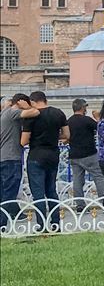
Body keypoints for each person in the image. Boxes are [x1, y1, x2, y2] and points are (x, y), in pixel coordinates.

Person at [20, 92, 69, 230]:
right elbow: (67, 135)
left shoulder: (31, 116)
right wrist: (53, 136)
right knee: (51, 191)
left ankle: (41, 225)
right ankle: (55, 223)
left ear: (33, 102)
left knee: (38, 193)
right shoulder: (58, 113)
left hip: (36, 155)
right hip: (53, 155)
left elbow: (24, 141)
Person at [1, 94, 39, 230]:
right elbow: (35, 112)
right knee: (9, 193)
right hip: (11, 158)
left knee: (3, 192)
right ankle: (2, 224)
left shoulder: (4, 113)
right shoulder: (13, 112)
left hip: (4, 157)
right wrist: (28, 106)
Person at [66, 98, 103, 204]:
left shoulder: (69, 121)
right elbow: (101, 129)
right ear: (83, 108)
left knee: (77, 180)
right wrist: (98, 118)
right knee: (99, 176)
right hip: (89, 154)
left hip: (74, 155)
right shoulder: (87, 120)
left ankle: (80, 204)